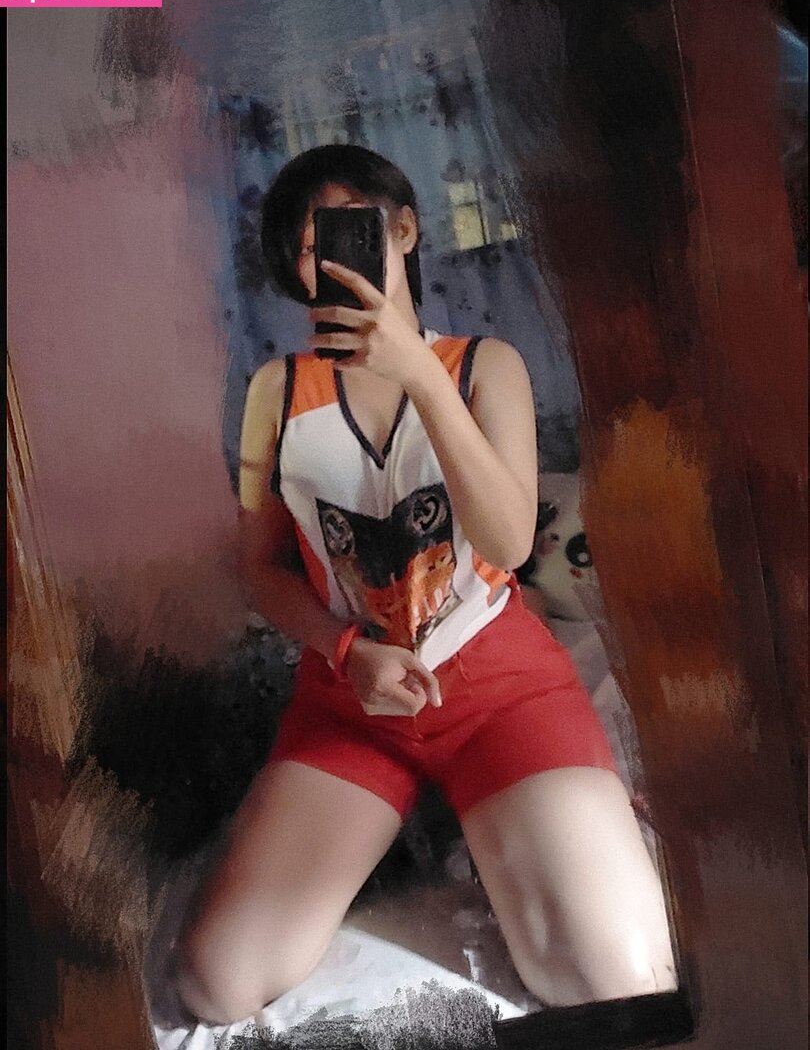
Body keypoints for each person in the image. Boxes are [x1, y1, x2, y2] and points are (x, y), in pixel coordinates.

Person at [174, 144, 677, 1025]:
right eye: (306, 248)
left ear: (403, 230)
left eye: (348, 232)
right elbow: (259, 568)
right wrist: (344, 650)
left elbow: (509, 541)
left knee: (617, 979)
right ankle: (435, 824)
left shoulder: (488, 366)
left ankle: (485, 827)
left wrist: (415, 371)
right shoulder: (272, 394)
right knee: (216, 984)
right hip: (351, 700)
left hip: (503, 694)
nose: (328, 260)